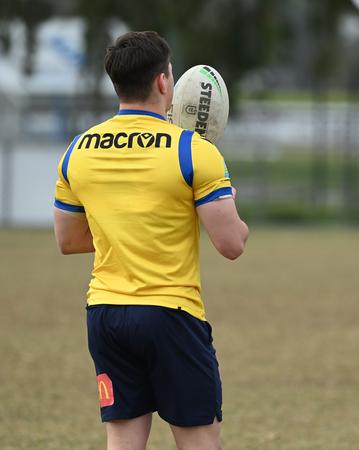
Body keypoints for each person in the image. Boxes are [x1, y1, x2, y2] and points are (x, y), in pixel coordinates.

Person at [53, 31, 248, 450]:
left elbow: (68, 240)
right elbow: (231, 244)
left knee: (122, 440)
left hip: (105, 314)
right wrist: (227, 201)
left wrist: (124, 230)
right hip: (171, 314)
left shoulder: (77, 150)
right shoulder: (192, 151)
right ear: (163, 83)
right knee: (198, 440)